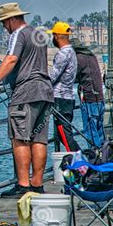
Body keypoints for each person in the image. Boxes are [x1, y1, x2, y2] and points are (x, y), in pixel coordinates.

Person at [0, 3, 54, 197]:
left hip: (25, 93)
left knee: (20, 138)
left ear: (13, 19)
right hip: (45, 91)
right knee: (39, 140)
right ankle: (37, 185)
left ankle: (23, 186)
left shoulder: (18, 34)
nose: (4, 27)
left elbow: (11, 59)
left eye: (4, 22)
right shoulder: (38, 33)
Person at [47, 22, 79, 151]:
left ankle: (81, 164)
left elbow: (52, 77)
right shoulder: (71, 52)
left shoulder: (62, 54)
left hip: (60, 98)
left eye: (53, 35)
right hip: (68, 98)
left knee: (64, 134)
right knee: (64, 134)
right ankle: (79, 162)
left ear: (57, 36)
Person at [71, 38, 105, 147]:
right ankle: (102, 156)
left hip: (89, 100)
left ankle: (94, 157)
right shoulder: (91, 56)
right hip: (99, 99)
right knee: (99, 131)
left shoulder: (78, 58)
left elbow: (71, 77)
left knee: (90, 132)